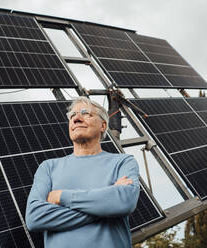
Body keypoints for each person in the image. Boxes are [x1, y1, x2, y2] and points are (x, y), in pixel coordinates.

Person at [25, 96, 140, 248]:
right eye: (72, 115)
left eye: (86, 113)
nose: (76, 119)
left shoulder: (123, 162)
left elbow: (124, 201)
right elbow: (35, 218)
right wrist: (106, 205)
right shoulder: (48, 167)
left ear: (103, 125)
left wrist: (62, 196)